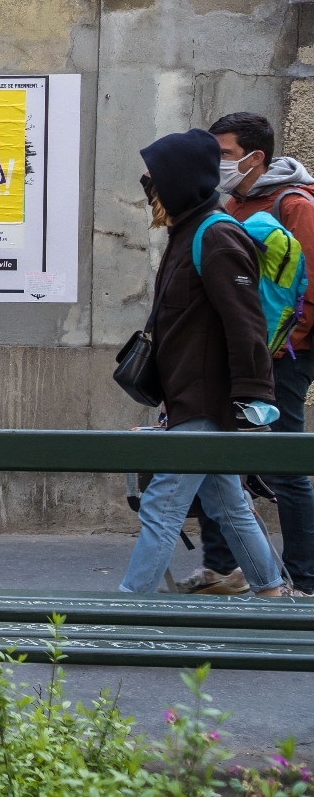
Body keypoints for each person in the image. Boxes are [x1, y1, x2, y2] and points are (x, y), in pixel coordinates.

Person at [119, 129, 285, 596]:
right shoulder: (188, 231)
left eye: (154, 176)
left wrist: (252, 400)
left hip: (207, 401)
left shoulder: (215, 236)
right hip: (191, 398)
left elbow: (246, 324)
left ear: (179, 179)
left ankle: (127, 608)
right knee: (227, 504)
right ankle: (271, 589)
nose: (146, 183)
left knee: (161, 505)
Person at [181, 113, 314, 595]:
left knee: (283, 463)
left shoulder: (293, 204)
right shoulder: (232, 202)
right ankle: (222, 568)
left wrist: (279, 348)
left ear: (255, 157)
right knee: (220, 458)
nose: (217, 164)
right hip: (232, 354)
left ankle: (303, 576)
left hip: (282, 358)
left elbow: (312, 288)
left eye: (225, 155)